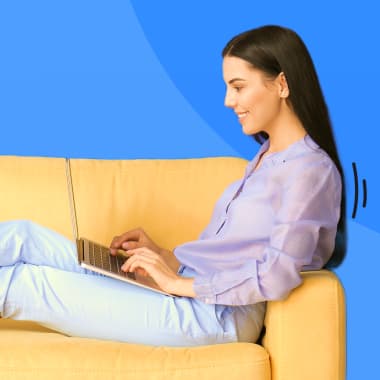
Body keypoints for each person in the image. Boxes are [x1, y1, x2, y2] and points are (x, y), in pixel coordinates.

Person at [0, 25, 346, 347]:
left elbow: (276, 274)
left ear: (282, 85)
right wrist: (167, 259)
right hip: (191, 292)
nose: (228, 100)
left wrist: (177, 284)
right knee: (23, 235)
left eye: (238, 86)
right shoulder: (267, 157)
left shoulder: (309, 171)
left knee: (25, 285)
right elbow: (231, 254)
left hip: (215, 316)